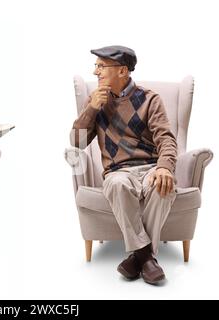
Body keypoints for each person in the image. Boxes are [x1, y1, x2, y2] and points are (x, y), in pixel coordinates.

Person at [70, 45, 177, 285]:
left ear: (122, 71)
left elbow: (166, 138)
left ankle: (137, 258)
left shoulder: (150, 99)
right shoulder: (95, 101)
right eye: (96, 66)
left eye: (101, 66)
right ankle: (147, 258)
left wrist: (164, 167)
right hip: (118, 171)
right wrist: (91, 109)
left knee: (163, 186)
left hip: (150, 166)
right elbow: (76, 143)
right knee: (117, 185)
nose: (95, 72)